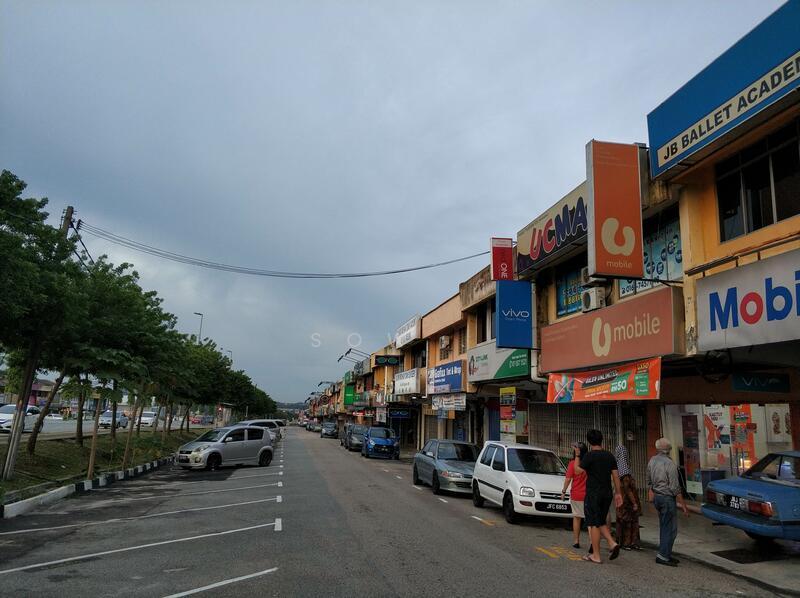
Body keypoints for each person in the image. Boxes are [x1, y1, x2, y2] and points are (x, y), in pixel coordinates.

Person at [574, 429, 623, 564]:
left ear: (589, 442)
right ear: (602, 440)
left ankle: (596, 555)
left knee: (594, 523)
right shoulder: (609, 456)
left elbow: (577, 471)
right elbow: (616, 476)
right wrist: (618, 493)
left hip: (593, 493)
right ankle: (611, 543)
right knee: (600, 520)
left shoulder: (589, 456)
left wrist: (577, 455)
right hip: (607, 493)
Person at [646, 437, 689, 567]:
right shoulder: (670, 464)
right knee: (670, 528)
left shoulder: (652, 460)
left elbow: (648, 480)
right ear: (669, 449)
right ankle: (663, 555)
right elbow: (675, 488)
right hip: (667, 498)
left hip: (658, 497)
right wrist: (684, 506)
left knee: (664, 526)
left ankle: (666, 553)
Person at [614, 444, 641, 550]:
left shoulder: (617, 469)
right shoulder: (625, 472)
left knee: (621, 520)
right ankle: (628, 543)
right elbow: (628, 489)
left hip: (620, 500)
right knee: (629, 521)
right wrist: (634, 503)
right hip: (627, 502)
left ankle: (621, 541)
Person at [561, 441, 587, 549]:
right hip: (588, 495)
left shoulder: (572, 463)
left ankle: (576, 541)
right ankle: (592, 543)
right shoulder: (589, 463)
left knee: (577, 518)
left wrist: (563, 491)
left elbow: (568, 479)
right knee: (590, 520)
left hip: (576, 494)